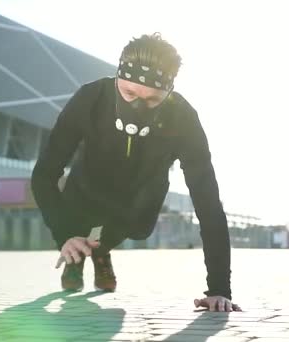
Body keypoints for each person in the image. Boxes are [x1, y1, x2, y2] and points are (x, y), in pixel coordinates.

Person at [31, 33, 241, 312]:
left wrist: (219, 289)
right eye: (129, 94)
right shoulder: (90, 98)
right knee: (77, 214)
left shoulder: (183, 119)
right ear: (117, 78)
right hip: (86, 186)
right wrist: (64, 235)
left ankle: (99, 250)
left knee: (132, 227)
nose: (138, 108)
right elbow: (44, 174)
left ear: (169, 92)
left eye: (152, 100)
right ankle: (76, 256)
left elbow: (208, 203)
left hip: (138, 200)